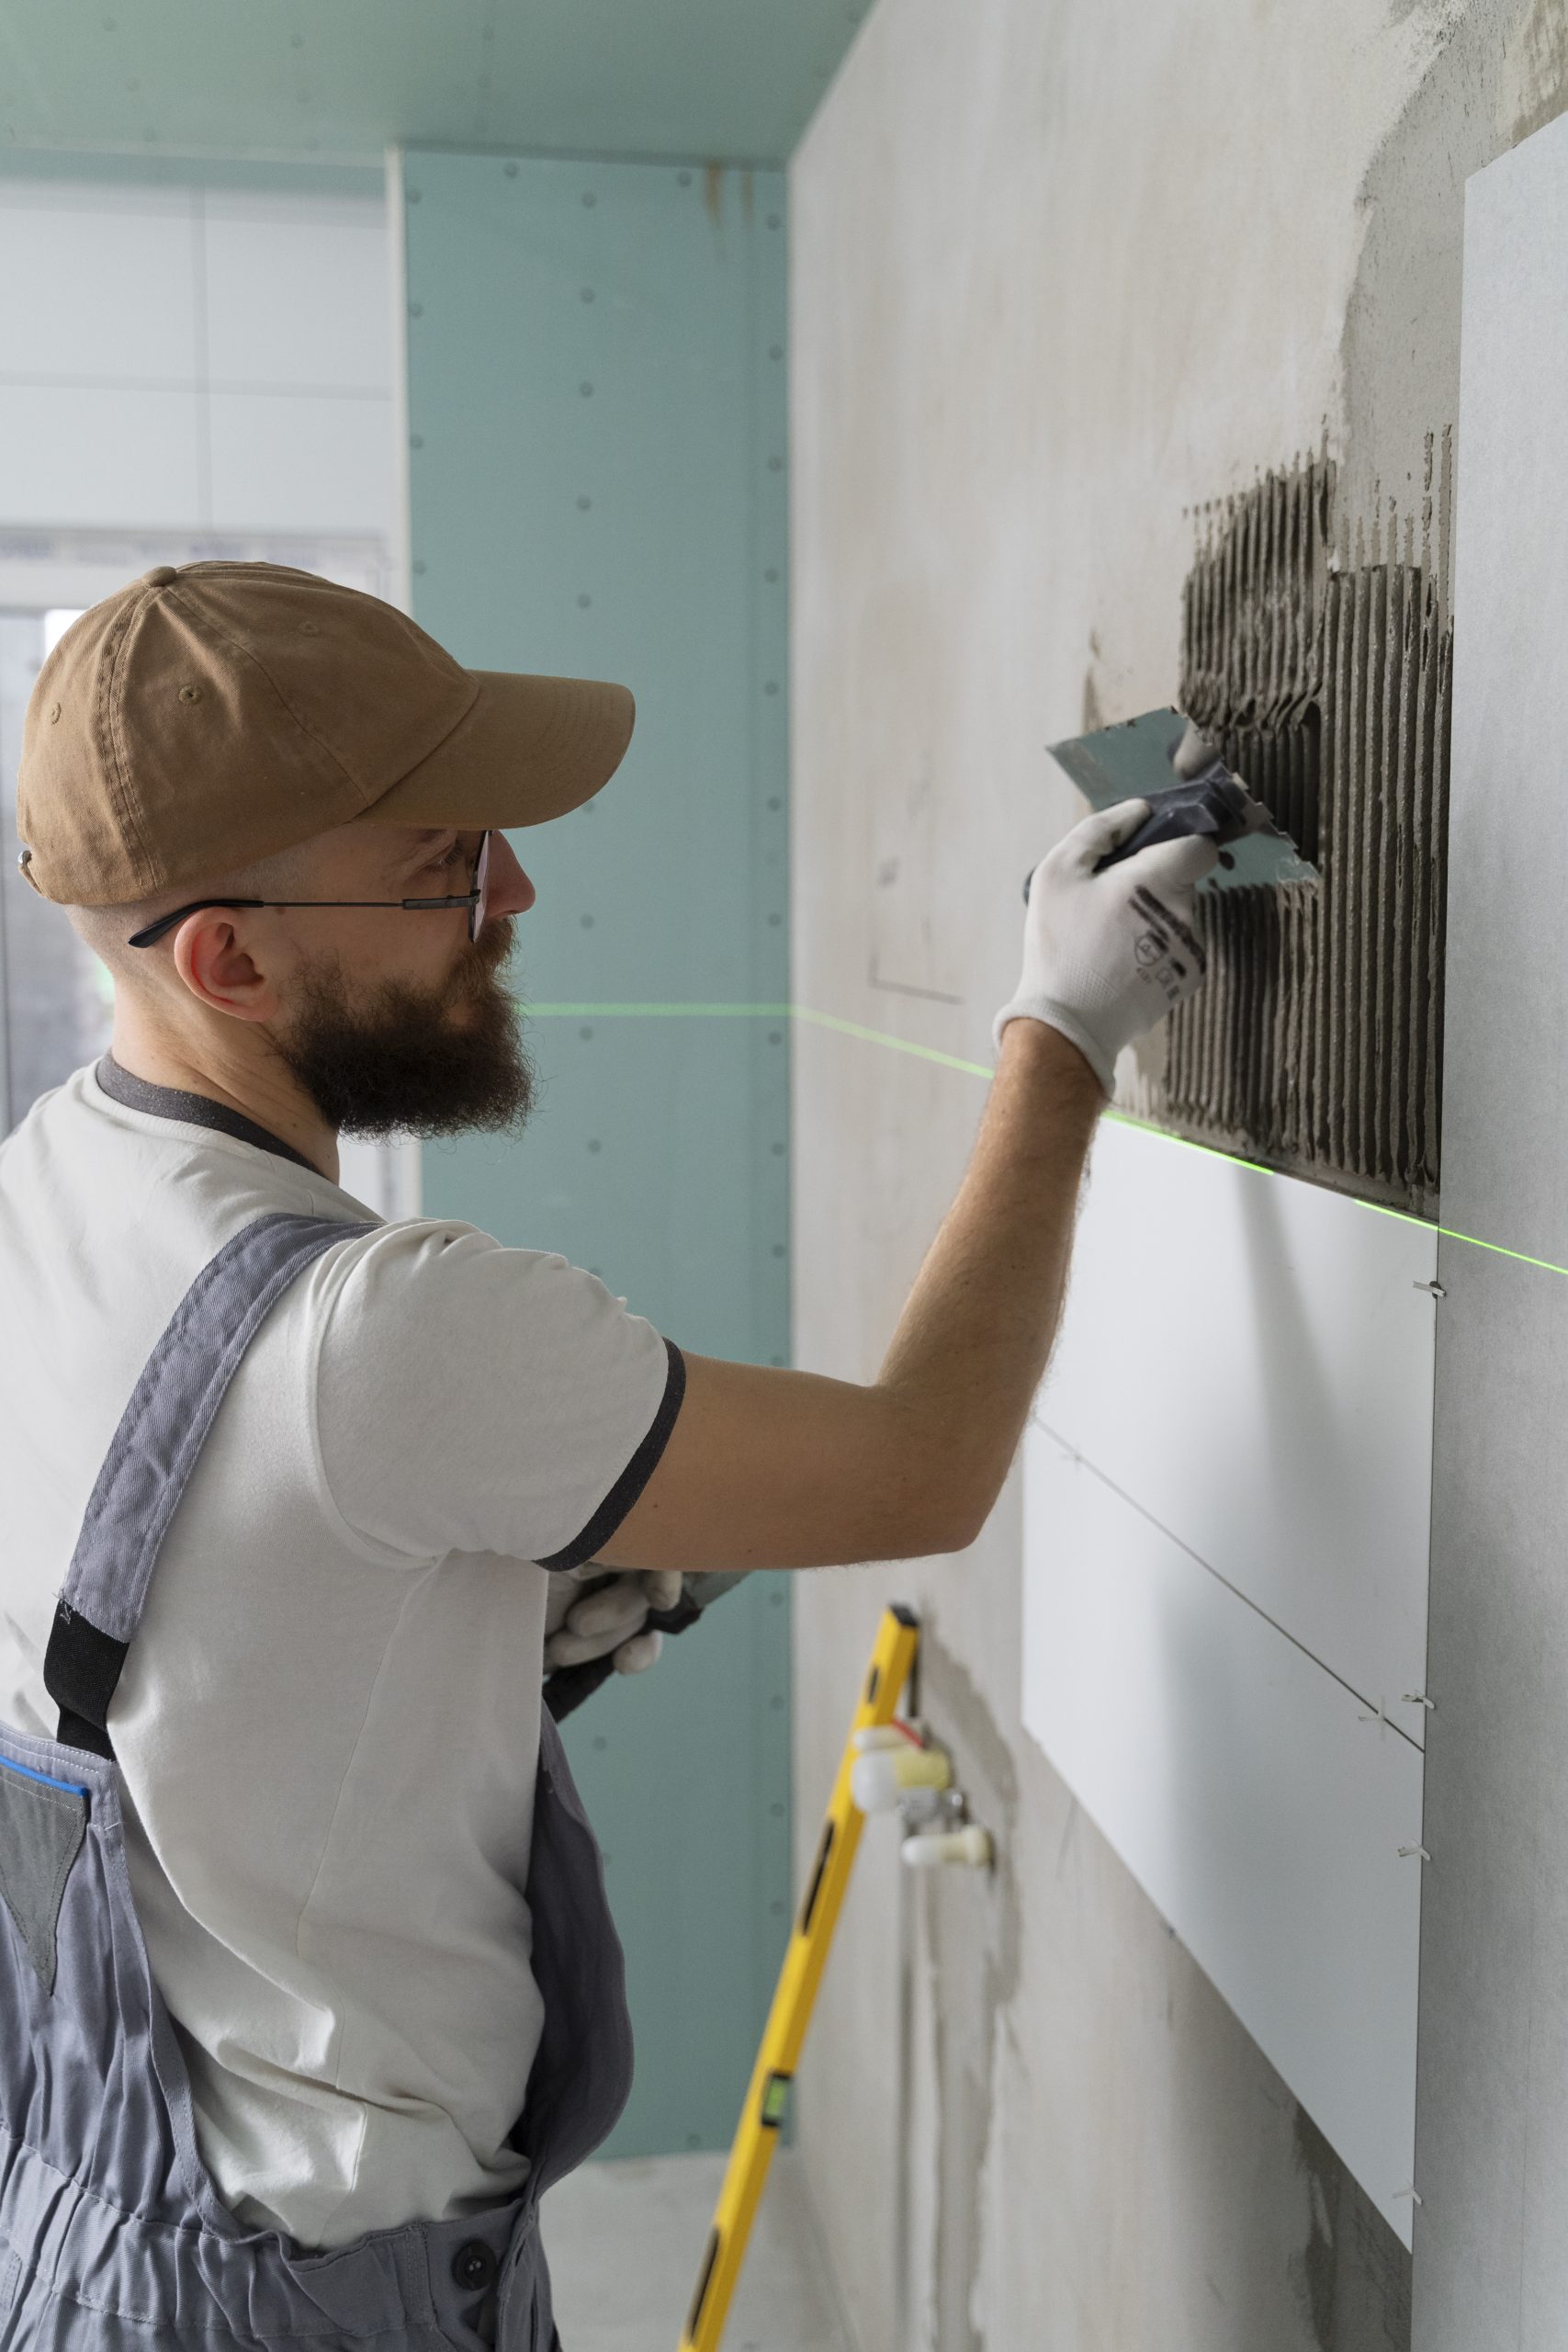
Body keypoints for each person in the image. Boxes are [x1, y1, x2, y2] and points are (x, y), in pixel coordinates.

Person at [0, 560, 1213, 2350]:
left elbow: (146, 1641)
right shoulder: (379, 1332)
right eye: (443, 866)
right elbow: (920, 1466)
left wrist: (460, 1640)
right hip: (325, 2299)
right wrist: (1056, 1033)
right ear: (228, 955)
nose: (515, 893)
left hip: (92, 2230)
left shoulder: (45, 1189)